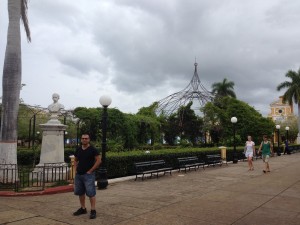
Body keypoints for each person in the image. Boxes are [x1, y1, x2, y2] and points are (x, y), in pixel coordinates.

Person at [73, 134, 101, 219]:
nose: (84, 140)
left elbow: (99, 160)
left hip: (88, 175)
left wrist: (91, 170)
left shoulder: (93, 150)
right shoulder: (78, 149)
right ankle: (83, 208)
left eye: (86, 138)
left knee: (91, 193)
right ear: (81, 140)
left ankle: (93, 210)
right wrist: (75, 170)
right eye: (83, 138)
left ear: (89, 140)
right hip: (79, 175)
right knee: (80, 193)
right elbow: (75, 160)